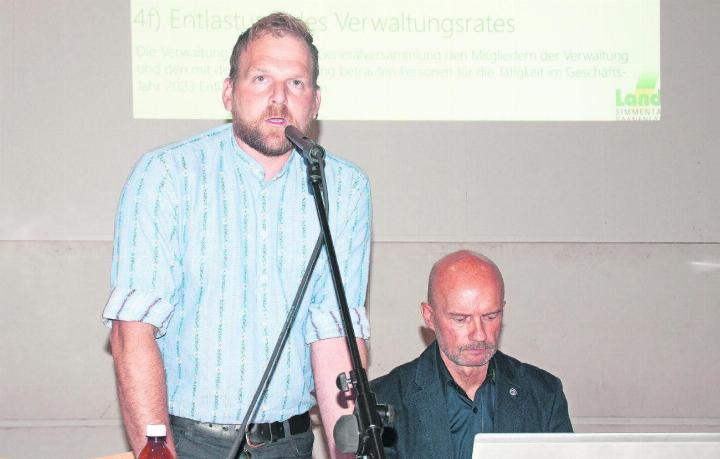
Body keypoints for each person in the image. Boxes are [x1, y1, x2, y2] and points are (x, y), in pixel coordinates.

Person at [102, 12, 371, 459]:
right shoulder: (167, 175)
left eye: (296, 83)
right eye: (261, 78)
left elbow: (334, 335)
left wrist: (350, 451)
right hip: (188, 441)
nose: (279, 99)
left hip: (291, 442)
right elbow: (134, 330)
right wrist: (158, 451)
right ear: (230, 92)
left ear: (316, 100)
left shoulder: (343, 187)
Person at [372, 250, 572, 458]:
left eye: (490, 316)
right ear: (429, 317)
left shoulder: (544, 393)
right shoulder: (384, 399)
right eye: (461, 319)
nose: (479, 334)